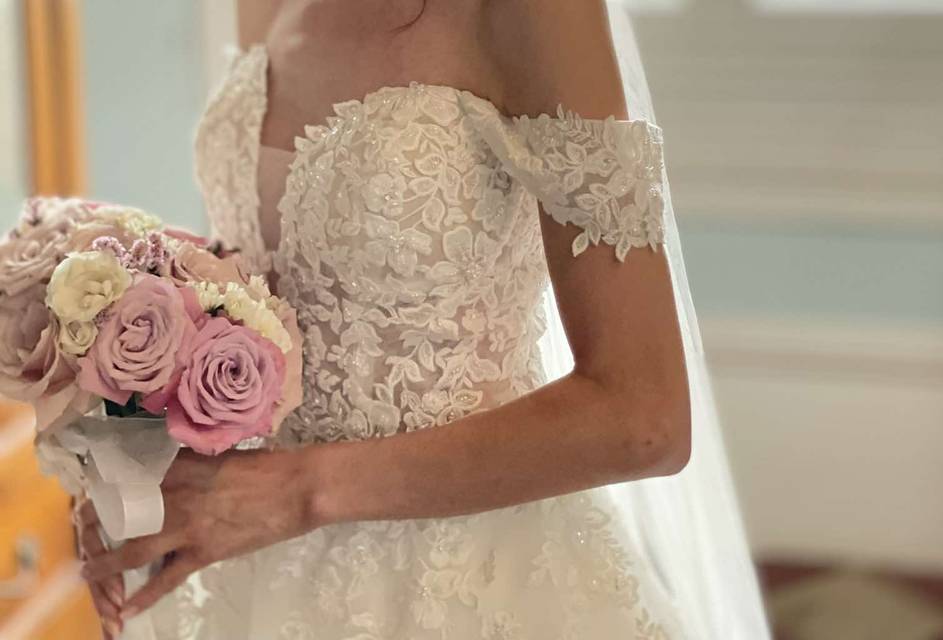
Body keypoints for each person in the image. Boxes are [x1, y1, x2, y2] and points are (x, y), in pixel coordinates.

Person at [77, 1, 768, 637]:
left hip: (470, 582)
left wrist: (299, 491)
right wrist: (139, 457)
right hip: (255, 571)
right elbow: (276, 287)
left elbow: (644, 418)